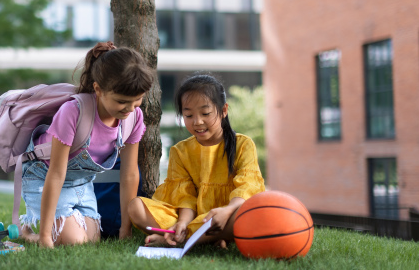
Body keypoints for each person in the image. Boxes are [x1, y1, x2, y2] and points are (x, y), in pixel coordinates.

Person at [19, 41, 155, 248]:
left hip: (82, 183)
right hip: (43, 177)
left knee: (90, 241)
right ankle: (31, 234)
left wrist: (125, 230)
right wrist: (46, 237)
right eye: (121, 101)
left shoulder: (134, 118)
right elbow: (56, 172)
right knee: (75, 241)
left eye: (137, 100)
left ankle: (63, 226)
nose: (129, 108)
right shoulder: (73, 112)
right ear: (98, 89)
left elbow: (129, 173)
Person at [128, 74, 265, 248]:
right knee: (136, 207)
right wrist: (183, 223)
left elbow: (247, 187)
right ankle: (199, 237)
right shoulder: (180, 151)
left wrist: (227, 211)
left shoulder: (243, 144)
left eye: (205, 113)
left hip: (229, 214)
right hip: (196, 219)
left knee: (246, 214)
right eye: (189, 115)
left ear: (223, 110)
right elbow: (185, 197)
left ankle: (177, 241)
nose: (197, 122)